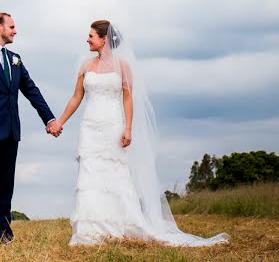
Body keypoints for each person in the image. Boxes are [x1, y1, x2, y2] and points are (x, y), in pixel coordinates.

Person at [56, 20, 229, 246]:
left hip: (112, 125)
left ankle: (119, 226)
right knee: (90, 174)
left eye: (91, 35)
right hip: (90, 126)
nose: (87, 39)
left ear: (103, 39)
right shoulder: (85, 65)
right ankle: (89, 232)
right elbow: (76, 97)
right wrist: (59, 122)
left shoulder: (123, 66)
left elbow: (128, 98)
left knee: (115, 173)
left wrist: (128, 128)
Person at [0, 12, 63, 246]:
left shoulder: (15, 58)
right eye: (12, 26)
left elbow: (31, 90)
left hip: (11, 133)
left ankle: (4, 234)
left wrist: (49, 119)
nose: (15, 31)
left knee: (5, 186)